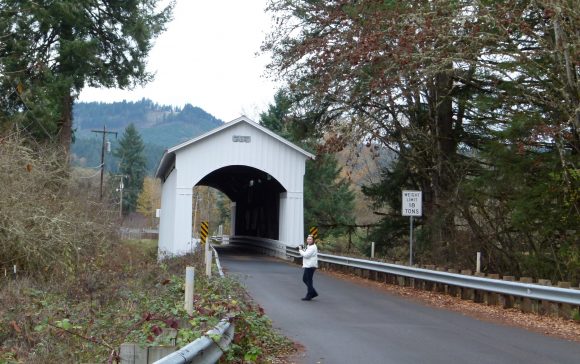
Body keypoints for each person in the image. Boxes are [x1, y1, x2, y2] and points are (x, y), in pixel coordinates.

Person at [298, 234, 318, 301]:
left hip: (311, 266)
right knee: (305, 279)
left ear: (313, 240)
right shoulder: (309, 246)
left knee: (308, 280)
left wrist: (300, 250)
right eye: (308, 239)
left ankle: (309, 295)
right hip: (308, 265)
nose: (308, 240)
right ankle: (313, 292)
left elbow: (306, 255)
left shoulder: (313, 247)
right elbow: (306, 252)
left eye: (310, 239)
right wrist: (303, 249)